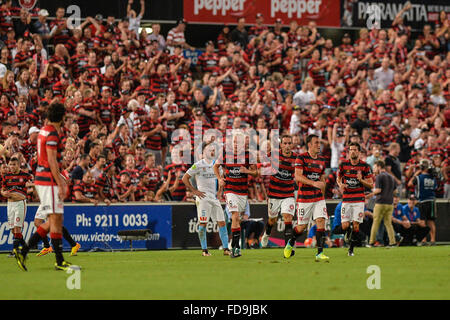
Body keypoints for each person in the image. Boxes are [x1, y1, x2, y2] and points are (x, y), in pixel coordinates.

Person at [15, 103, 75, 271]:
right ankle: (59, 260)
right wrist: (61, 182)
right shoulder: (53, 134)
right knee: (55, 220)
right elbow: (51, 160)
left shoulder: (43, 130)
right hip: (48, 180)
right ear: (62, 117)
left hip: (42, 178)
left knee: (54, 220)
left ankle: (24, 251)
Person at [284, 134, 329, 262]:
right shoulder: (301, 158)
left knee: (321, 221)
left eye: (319, 143)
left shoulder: (321, 160)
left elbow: (322, 178)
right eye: (316, 143)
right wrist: (313, 183)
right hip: (304, 198)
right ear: (309, 144)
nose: (318, 145)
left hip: (318, 198)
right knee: (301, 227)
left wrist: (323, 192)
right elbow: (297, 177)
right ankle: (290, 243)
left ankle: (320, 253)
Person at [182, 142, 230, 256]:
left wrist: (219, 192)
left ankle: (226, 249)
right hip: (203, 198)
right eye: (209, 150)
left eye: (213, 150)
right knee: (203, 223)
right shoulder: (198, 165)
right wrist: (194, 191)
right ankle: (204, 250)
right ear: (203, 152)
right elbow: (185, 178)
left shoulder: (217, 165)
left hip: (214, 198)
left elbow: (221, 180)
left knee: (222, 223)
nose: (212, 152)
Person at [213, 133, 258, 258]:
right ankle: (235, 247)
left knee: (237, 218)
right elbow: (215, 167)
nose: (236, 145)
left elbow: (256, 173)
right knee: (235, 215)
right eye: (234, 142)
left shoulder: (249, 155)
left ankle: (235, 246)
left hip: (242, 192)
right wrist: (220, 178)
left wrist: (247, 171)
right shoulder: (226, 154)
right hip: (230, 190)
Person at [336, 142, 373, 256]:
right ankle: (348, 233)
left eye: (355, 150)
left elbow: (371, 185)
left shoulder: (365, 166)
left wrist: (361, 180)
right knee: (345, 226)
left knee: (356, 224)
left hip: (358, 199)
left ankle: (351, 250)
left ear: (359, 152)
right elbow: (339, 178)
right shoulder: (343, 165)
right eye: (350, 150)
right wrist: (340, 184)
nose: (352, 151)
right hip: (346, 199)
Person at [261, 134, 296, 247]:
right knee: (272, 220)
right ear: (281, 145)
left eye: (289, 143)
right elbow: (263, 161)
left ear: (292, 145)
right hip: (274, 194)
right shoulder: (274, 155)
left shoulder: (296, 158)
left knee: (288, 218)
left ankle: (288, 247)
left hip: (288, 194)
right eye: (285, 143)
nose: (287, 146)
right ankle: (266, 234)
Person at [1, 157, 33, 259]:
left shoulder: (25, 176)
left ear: (18, 165)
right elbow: (2, 189)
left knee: (17, 228)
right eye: (10, 165)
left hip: (20, 203)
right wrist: (3, 193)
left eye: (14, 164)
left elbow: (33, 185)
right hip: (10, 204)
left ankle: (15, 251)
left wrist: (29, 188)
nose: (12, 167)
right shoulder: (6, 177)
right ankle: (24, 249)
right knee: (13, 230)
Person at [368, 160, 397, 248]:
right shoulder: (392, 177)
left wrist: (371, 193)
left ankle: (371, 242)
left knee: (375, 222)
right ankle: (393, 242)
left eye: (375, 167)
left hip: (380, 203)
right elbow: (395, 191)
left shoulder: (379, 176)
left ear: (379, 167)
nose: (374, 169)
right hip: (390, 203)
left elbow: (378, 190)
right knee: (388, 224)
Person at [408, 159, 437, 245]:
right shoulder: (433, 177)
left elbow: (409, 184)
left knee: (422, 221)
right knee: (431, 222)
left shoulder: (418, 178)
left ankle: (423, 240)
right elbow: (435, 187)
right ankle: (432, 240)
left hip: (422, 201)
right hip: (431, 201)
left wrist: (416, 173)